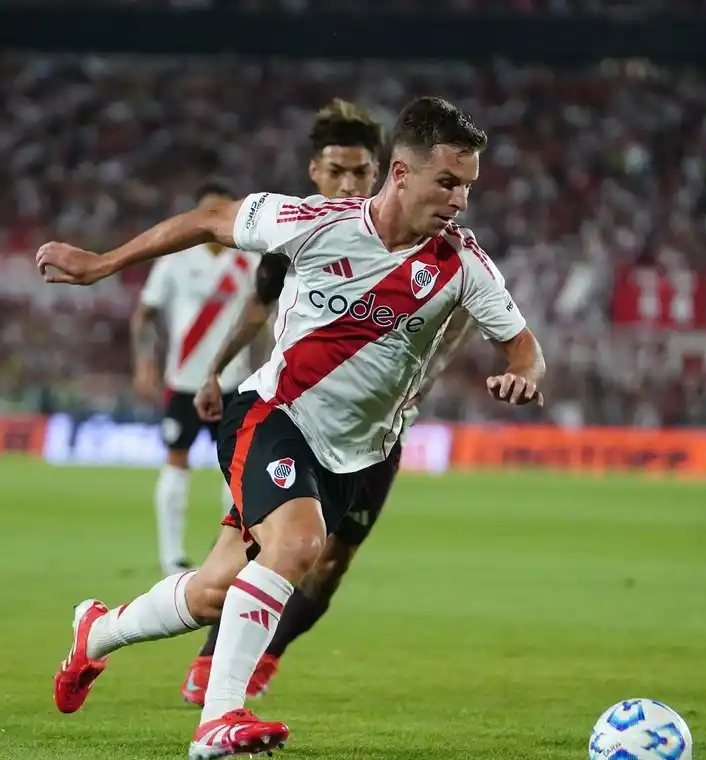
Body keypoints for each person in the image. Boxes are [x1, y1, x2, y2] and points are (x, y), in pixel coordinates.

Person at [41, 95, 545, 760]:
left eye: (468, 187)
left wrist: (522, 375)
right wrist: (102, 264)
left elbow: (523, 346)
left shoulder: (463, 265)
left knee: (216, 590)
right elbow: (209, 219)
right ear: (400, 174)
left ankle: (96, 633)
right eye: (447, 182)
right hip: (272, 416)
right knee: (298, 543)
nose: (460, 201)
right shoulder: (313, 222)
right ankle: (219, 719)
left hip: (356, 454)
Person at [178, 97, 402, 706]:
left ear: (380, 173)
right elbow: (258, 305)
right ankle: (214, 668)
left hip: (374, 433)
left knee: (330, 563)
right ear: (314, 170)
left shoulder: (414, 239)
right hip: (290, 419)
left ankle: (265, 654)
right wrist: (216, 371)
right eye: (337, 170)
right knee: (267, 547)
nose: (348, 182)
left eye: (360, 172)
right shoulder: (297, 229)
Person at [131, 182, 260, 575]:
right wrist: (143, 363)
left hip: (232, 383)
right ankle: (171, 557)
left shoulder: (249, 261)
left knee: (236, 470)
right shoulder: (174, 259)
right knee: (176, 461)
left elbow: (264, 318)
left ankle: (227, 557)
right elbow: (144, 314)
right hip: (183, 380)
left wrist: (268, 363)